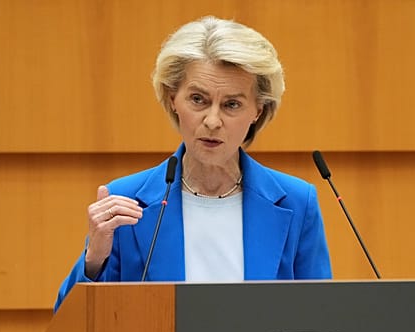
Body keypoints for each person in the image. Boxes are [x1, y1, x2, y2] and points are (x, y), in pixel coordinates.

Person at [54, 15, 331, 311]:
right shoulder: (126, 200)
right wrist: (94, 259)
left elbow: (320, 317)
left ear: (257, 112)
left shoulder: (297, 202)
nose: (212, 121)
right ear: (173, 99)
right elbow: (71, 326)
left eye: (232, 104)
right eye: (198, 99)